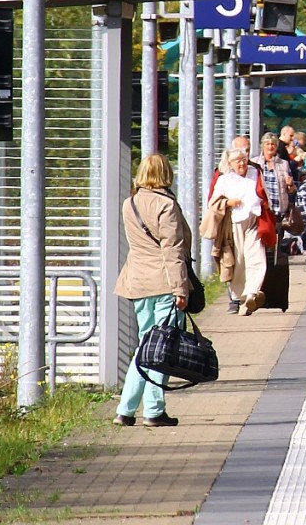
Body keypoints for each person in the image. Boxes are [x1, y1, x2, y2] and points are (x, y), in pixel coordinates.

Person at [113, 153, 191, 428]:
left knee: (146, 345)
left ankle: (125, 409)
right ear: (166, 174)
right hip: (164, 282)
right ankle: (154, 410)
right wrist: (180, 288)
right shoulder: (166, 205)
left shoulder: (129, 204)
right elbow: (172, 250)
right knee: (162, 349)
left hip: (137, 282)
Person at [210, 147, 267, 315]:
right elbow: (212, 203)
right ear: (230, 164)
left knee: (257, 257)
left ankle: (252, 293)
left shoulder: (255, 172)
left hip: (255, 220)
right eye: (238, 161)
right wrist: (228, 203)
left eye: (244, 159)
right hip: (235, 222)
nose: (242, 163)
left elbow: (263, 191)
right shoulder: (224, 180)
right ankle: (238, 296)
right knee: (240, 260)